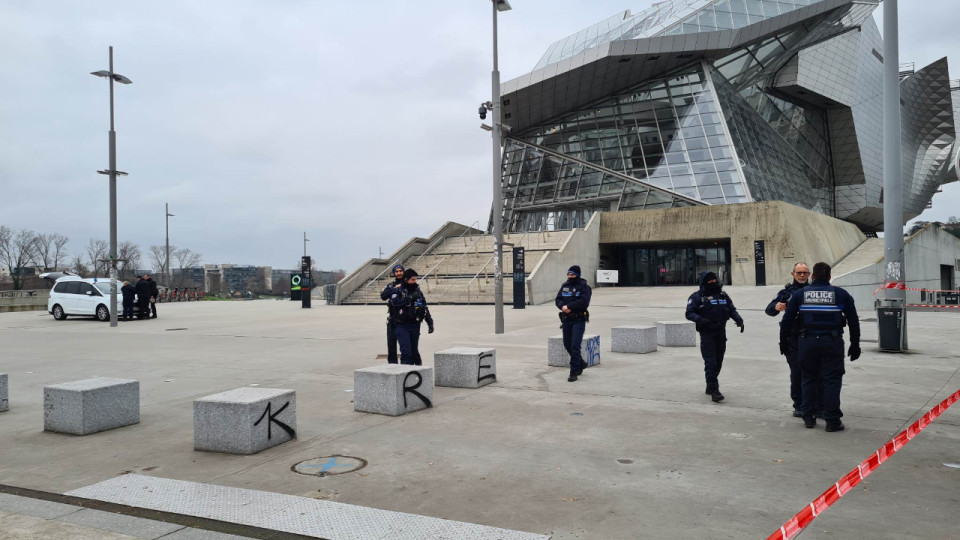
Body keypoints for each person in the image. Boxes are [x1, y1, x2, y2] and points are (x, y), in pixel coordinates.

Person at [780, 262, 860, 432]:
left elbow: (786, 320)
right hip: (832, 343)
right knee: (832, 380)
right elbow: (853, 321)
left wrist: (783, 342)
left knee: (808, 378)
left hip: (807, 342)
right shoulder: (841, 294)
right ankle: (832, 421)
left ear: (812, 277)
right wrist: (855, 344)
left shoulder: (800, 294)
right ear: (830, 277)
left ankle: (808, 417)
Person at [765, 262, 819, 417]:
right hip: (792, 339)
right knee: (796, 373)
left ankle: (814, 404)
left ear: (809, 275)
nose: (802, 276)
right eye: (799, 273)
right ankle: (799, 404)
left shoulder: (814, 291)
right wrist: (776, 306)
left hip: (811, 338)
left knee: (814, 373)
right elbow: (769, 310)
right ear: (793, 274)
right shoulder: (786, 293)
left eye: (805, 273)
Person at [685, 271, 744, 402]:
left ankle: (709, 384)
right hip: (707, 333)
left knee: (719, 361)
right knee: (710, 362)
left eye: (714, 280)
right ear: (703, 282)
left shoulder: (723, 295)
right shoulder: (697, 296)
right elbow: (689, 313)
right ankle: (714, 390)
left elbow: (731, 309)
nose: (713, 283)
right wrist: (701, 320)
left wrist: (739, 319)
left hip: (721, 331)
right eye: (709, 281)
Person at [389, 269, 434, 365]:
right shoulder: (397, 290)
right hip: (401, 325)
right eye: (412, 280)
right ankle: (404, 376)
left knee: (414, 353)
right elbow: (394, 303)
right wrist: (408, 298)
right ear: (406, 280)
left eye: (415, 279)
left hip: (415, 325)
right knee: (406, 353)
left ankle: (418, 375)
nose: (415, 282)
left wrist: (430, 322)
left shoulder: (417, 291)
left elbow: (423, 307)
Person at [555, 265, 592, 382]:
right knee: (567, 344)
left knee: (575, 346)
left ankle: (573, 372)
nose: (570, 277)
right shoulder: (564, 285)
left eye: (572, 275)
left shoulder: (584, 287)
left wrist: (570, 306)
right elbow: (558, 299)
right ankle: (580, 363)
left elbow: (584, 302)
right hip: (566, 319)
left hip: (578, 320)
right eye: (569, 274)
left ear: (578, 275)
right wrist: (562, 307)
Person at [380, 264, 406, 364]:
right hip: (392, 321)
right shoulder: (391, 285)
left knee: (405, 347)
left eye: (400, 271)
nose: (399, 273)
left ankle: (405, 368)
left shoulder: (409, 285)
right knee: (391, 347)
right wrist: (395, 288)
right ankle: (392, 367)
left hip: (404, 321)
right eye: (397, 271)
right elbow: (383, 296)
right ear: (394, 273)